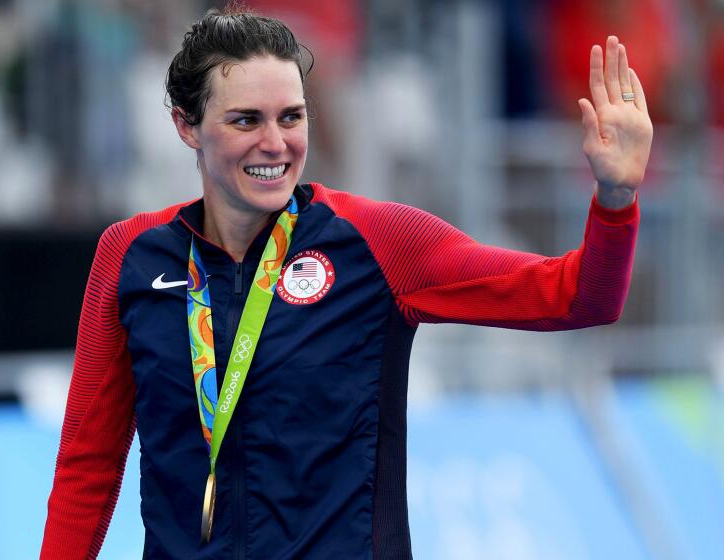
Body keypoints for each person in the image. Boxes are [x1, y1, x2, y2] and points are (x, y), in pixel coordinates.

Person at [40, 7, 653, 560]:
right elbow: (87, 467)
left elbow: (578, 296)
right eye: (246, 120)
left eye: (291, 117)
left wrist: (616, 198)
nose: (275, 143)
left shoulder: (381, 244)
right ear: (186, 125)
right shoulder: (129, 256)